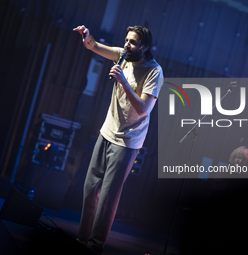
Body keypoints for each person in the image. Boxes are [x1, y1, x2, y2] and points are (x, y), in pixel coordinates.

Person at [73, 25, 163, 254]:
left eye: (132, 42)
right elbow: (93, 46)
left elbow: (143, 109)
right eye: (126, 40)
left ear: (144, 46)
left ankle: (95, 246)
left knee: (107, 199)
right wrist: (87, 36)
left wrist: (123, 80)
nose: (127, 45)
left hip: (128, 141)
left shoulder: (154, 71)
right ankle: (81, 240)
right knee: (90, 188)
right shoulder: (122, 56)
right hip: (107, 132)